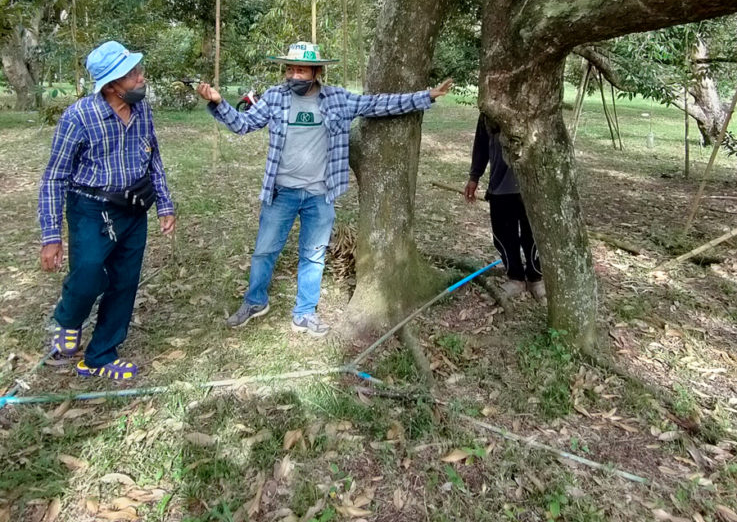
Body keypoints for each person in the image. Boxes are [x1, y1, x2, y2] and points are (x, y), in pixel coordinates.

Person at [197, 41, 452, 337]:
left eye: (301, 70)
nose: (293, 75)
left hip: (320, 194)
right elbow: (243, 124)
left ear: (317, 72)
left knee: (313, 255)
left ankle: (304, 313)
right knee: (264, 251)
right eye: (290, 69)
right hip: (281, 192)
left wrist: (427, 96)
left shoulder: (338, 100)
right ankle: (255, 302)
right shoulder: (274, 98)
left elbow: (379, 104)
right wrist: (218, 102)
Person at [38, 41, 176, 379]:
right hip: (91, 208)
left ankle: (100, 355)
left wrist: (165, 205)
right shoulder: (79, 117)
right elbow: (55, 176)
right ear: (112, 85)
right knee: (87, 275)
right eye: (133, 75)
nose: (142, 78)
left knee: (124, 282)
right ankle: (68, 319)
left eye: (140, 71)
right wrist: (51, 236)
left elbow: (152, 158)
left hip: (133, 207)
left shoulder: (142, 111)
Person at [465, 114, 545, 301]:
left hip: (533, 185)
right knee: (503, 235)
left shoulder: (534, 103)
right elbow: (481, 145)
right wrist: (474, 176)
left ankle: (536, 277)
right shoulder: (489, 111)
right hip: (500, 185)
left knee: (532, 235)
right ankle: (515, 277)